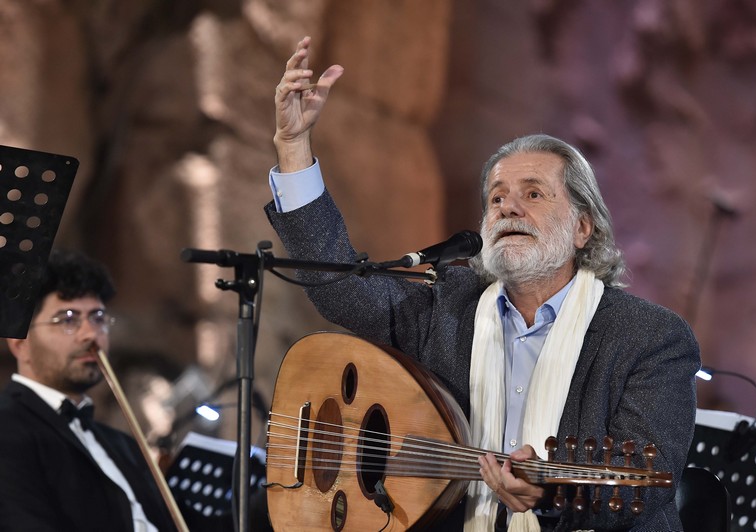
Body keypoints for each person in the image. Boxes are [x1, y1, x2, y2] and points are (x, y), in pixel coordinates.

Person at [265, 36, 701, 531]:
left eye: (533, 193)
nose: (508, 207)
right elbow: (340, 286)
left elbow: (646, 482)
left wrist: (549, 491)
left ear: (584, 228)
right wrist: (294, 147)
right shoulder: (447, 307)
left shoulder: (652, 338)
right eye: (496, 198)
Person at [0, 250, 176, 531]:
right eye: (68, 319)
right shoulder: (7, 429)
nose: (90, 334)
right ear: (20, 343)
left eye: (97, 317)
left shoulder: (124, 445)